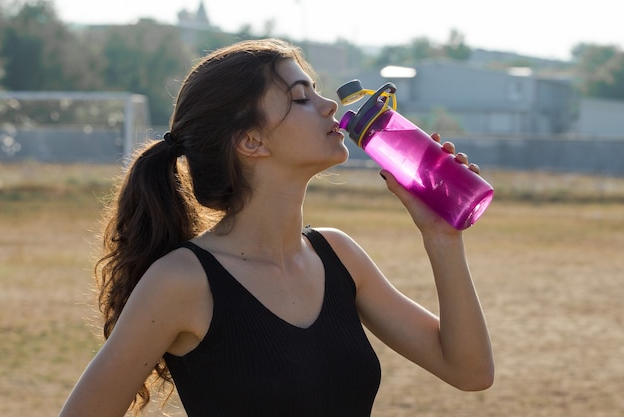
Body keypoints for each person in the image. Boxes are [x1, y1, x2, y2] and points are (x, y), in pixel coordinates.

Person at [58, 38, 494, 417]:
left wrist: (441, 238)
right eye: (302, 98)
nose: (329, 106)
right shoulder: (181, 281)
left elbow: (469, 370)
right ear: (252, 141)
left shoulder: (338, 256)